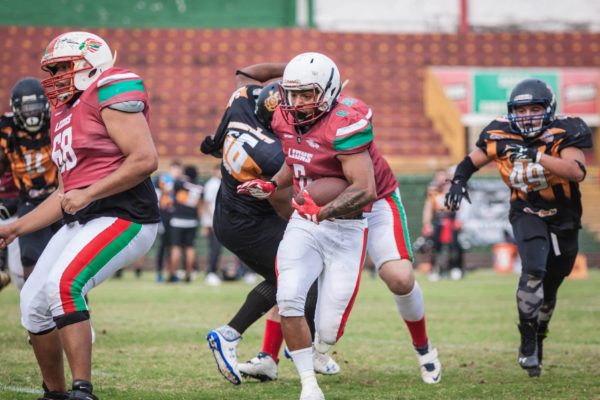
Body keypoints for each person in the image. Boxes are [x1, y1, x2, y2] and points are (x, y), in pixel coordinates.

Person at [238, 52, 441, 400]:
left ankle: (423, 348)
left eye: (307, 94)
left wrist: (323, 211)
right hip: (323, 206)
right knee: (291, 284)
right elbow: (294, 157)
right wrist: (273, 185)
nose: (298, 103)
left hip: (373, 203)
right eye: (293, 93)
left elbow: (365, 189)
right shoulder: (284, 117)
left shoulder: (346, 120)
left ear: (329, 91)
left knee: (399, 278)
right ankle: (291, 354)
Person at [0, 31, 160, 400]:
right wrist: (15, 228)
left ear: (91, 65)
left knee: (64, 284)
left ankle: (82, 392)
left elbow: (144, 160)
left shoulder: (109, 89)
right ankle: (54, 394)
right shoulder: (64, 111)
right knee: (33, 306)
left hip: (127, 214)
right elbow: (64, 194)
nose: (54, 76)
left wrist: (88, 193)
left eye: (61, 68)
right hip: (85, 217)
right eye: (51, 69)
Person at [445, 78, 592, 378]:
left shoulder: (566, 130)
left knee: (550, 288)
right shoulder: (500, 133)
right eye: (521, 109)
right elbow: (470, 162)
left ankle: (539, 336)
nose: (527, 116)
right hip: (526, 209)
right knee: (533, 271)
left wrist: (537, 155)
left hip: (564, 217)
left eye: (534, 108)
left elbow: (577, 172)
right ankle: (527, 344)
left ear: (548, 109)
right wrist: (458, 181)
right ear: (512, 112)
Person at [202, 63, 333, 386]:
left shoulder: (244, 99)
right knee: (300, 280)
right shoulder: (274, 153)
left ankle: (267, 358)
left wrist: (294, 68)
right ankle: (238, 336)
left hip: (230, 211)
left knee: (286, 279)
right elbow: (281, 202)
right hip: (249, 222)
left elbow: (246, 73)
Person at [0, 77, 61, 287]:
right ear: (16, 109)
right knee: (30, 264)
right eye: (26, 109)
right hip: (30, 203)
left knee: (69, 265)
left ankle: (77, 314)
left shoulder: (58, 123)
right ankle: (37, 312)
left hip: (62, 198)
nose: (31, 114)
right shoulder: (6, 130)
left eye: (35, 108)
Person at [422, 168, 463, 281]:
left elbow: (459, 205)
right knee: (435, 246)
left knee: (454, 245)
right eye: (438, 176)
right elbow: (428, 208)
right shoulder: (432, 191)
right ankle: (435, 270)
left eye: (442, 176)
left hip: (451, 219)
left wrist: (460, 220)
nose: (440, 179)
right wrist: (426, 223)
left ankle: (455, 268)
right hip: (438, 220)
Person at [169, 165, 202, 283]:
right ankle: (189, 273)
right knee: (190, 247)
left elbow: (173, 191)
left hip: (177, 219)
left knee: (175, 247)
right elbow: (199, 204)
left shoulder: (179, 183)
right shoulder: (199, 186)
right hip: (192, 220)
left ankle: (172, 274)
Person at [153, 160, 182, 282]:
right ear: (171, 169)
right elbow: (165, 191)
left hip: (176, 215)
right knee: (163, 245)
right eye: (175, 169)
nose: (177, 172)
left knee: (173, 245)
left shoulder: (181, 181)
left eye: (179, 169)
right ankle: (159, 272)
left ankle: (172, 272)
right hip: (164, 215)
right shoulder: (164, 179)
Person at [200, 163, 223, 286]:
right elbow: (207, 204)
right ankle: (211, 272)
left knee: (217, 248)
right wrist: (211, 221)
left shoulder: (220, 184)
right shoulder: (212, 184)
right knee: (214, 248)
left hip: (219, 221)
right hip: (214, 222)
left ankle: (214, 271)